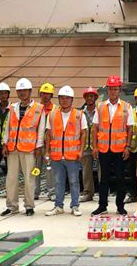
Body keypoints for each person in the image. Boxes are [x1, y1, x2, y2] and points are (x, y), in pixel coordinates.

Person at [1, 78, 46, 217]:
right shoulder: (12, 108)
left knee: (29, 179)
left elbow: (41, 129)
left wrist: (39, 146)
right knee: (11, 179)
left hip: (30, 149)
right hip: (13, 149)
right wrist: (5, 143)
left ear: (30, 91)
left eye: (25, 90)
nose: (22, 93)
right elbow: (8, 127)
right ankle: (12, 206)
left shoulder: (39, 108)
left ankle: (29, 206)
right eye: (20, 91)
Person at [92, 75, 134, 216]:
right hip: (104, 149)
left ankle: (120, 207)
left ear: (119, 90)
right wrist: (95, 147)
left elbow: (130, 129)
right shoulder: (100, 106)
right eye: (110, 89)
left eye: (115, 89)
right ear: (107, 90)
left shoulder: (127, 107)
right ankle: (102, 206)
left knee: (120, 179)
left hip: (120, 149)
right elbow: (95, 128)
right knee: (103, 179)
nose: (113, 92)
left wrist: (128, 147)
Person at [45, 86, 87, 217]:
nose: (65, 100)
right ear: (59, 99)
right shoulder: (52, 115)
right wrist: (47, 151)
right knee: (58, 182)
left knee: (74, 182)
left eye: (67, 98)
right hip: (56, 155)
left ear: (72, 100)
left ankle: (75, 206)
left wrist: (81, 151)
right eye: (62, 98)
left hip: (72, 156)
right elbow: (48, 134)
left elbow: (84, 134)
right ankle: (58, 206)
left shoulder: (79, 115)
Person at [35, 83, 57, 201]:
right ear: (40, 94)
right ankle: (34, 191)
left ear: (51, 95)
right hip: (36, 144)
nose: (45, 96)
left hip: (50, 144)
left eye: (48, 94)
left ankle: (52, 192)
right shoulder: (35, 109)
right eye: (43, 93)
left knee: (49, 169)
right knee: (35, 168)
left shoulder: (55, 109)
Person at [79, 87, 99, 203]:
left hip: (99, 146)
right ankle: (88, 192)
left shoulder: (100, 111)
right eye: (87, 96)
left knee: (102, 171)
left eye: (92, 96)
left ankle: (103, 192)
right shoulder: (80, 113)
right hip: (86, 146)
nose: (90, 98)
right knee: (86, 171)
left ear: (96, 98)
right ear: (85, 98)